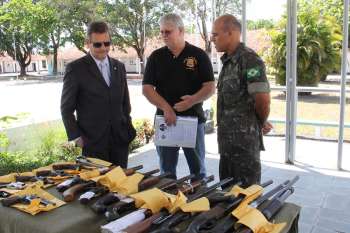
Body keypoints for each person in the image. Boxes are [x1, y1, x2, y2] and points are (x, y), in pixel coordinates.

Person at [143, 13, 215, 180]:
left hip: (192, 121)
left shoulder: (199, 55)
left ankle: (198, 201)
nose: (163, 36)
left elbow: (210, 87)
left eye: (167, 32)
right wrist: (166, 108)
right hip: (165, 121)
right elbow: (147, 89)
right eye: (161, 32)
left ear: (181, 30)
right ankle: (168, 201)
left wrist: (192, 100)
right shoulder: (156, 57)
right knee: (166, 172)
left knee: (198, 171)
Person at [60, 21, 136, 168]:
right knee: (98, 187)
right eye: (97, 44)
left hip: (120, 140)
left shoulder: (118, 67)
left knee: (121, 185)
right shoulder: (75, 69)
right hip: (92, 142)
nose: (103, 48)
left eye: (106, 43)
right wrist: (76, 137)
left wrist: (128, 127)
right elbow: (66, 108)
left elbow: (125, 103)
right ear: (88, 43)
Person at [211, 14, 272, 187]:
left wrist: (260, 122)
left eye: (215, 35)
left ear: (230, 33)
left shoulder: (249, 60)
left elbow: (262, 99)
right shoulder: (228, 62)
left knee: (246, 198)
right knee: (227, 197)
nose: (212, 39)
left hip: (244, 148)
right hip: (227, 146)